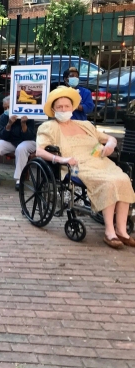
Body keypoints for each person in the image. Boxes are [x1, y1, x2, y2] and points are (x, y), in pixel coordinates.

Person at [36, 86, 135, 249]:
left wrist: (110, 143)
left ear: (72, 108)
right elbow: (39, 150)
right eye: (59, 107)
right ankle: (109, 232)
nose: (63, 109)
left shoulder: (85, 124)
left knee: (123, 179)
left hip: (101, 162)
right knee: (109, 183)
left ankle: (122, 230)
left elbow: (108, 137)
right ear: (53, 110)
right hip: (77, 165)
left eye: (66, 106)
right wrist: (61, 159)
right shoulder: (48, 127)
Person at [0, 96, 37, 190]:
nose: (6, 110)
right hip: (12, 142)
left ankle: (19, 180)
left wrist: (23, 124)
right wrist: (9, 125)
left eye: (9, 107)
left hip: (28, 142)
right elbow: (3, 136)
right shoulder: (4, 117)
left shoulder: (27, 115)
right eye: (5, 108)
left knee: (21, 148)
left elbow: (29, 136)